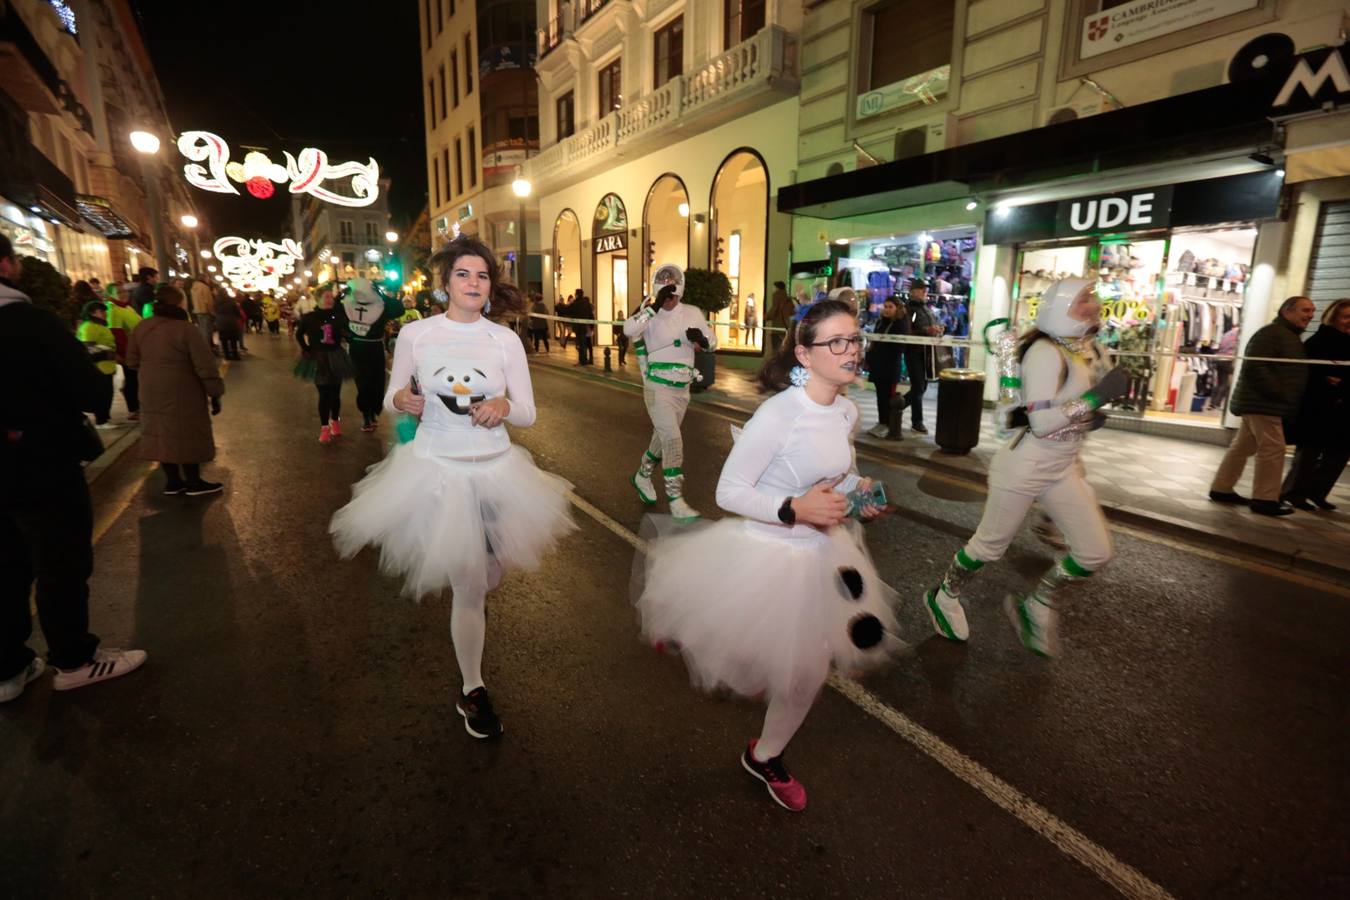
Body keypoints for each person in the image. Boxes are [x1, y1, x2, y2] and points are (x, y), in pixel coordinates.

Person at [636, 298, 900, 811]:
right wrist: (793, 507)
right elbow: (728, 492)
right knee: (746, 642)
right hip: (770, 550)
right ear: (804, 354)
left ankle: (766, 754)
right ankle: (687, 628)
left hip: (824, 551)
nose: (851, 352)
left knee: (806, 672)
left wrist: (857, 491)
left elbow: (835, 470)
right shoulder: (778, 416)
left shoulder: (845, 409)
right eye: (837, 342)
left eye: (856, 340)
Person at [329, 235, 575, 740]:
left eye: (482, 275)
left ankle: (473, 628)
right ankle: (473, 687)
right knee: (469, 585)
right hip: (439, 470)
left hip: (498, 472)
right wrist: (403, 398)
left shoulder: (504, 340)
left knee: (491, 576)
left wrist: (505, 406)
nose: (473, 283)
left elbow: (528, 411)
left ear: (491, 285)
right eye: (463, 274)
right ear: (445, 284)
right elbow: (396, 399)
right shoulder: (418, 335)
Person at [921, 279, 1127, 657]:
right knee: (989, 546)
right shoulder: (1046, 352)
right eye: (1084, 298)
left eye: (1093, 298)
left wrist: (1091, 412)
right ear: (1062, 306)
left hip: (1064, 466)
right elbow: (1042, 423)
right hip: (1025, 464)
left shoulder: (1084, 349)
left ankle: (1039, 604)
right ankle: (944, 596)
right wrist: (1097, 397)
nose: (1094, 304)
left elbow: (1072, 410)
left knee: (1095, 552)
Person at [0, 235, 147, 702]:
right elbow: (92, 392)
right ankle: (75, 659)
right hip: (41, 465)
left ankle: (8, 668)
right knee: (59, 561)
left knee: (4, 565)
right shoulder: (32, 324)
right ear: (7, 266)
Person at [624, 265, 716, 522]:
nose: (670, 289)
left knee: (662, 439)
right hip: (657, 388)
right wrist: (652, 307)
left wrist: (703, 339)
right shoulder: (648, 314)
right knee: (673, 440)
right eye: (664, 284)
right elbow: (628, 330)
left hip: (682, 390)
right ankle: (676, 500)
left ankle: (642, 475)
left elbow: (712, 340)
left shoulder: (693, 312)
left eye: (673, 283)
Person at [1209, 296, 1315, 517]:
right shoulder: (1272, 333)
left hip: (1262, 402)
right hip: (1264, 403)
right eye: (1305, 310)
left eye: (1312, 311)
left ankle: (1221, 488)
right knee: (1273, 449)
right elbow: (1255, 366)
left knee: (1243, 447)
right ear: (1287, 311)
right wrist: (1280, 393)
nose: (1310, 315)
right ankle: (1265, 499)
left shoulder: (1286, 335)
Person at [128, 285, 225, 495]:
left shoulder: (142, 327)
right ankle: (193, 481)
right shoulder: (186, 329)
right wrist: (215, 392)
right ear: (180, 303)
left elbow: (132, 360)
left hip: (150, 388)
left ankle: (173, 481)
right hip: (183, 388)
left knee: (161, 431)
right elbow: (204, 365)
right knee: (187, 430)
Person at [1282, 298, 1350, 511]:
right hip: (1318, 406)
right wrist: (1330, 380)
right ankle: (1293, 492)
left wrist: (1340, 381)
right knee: (1309, 451)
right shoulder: (1318, 341)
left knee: (1340, 452)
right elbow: (1309, 373)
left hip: (1344, 406)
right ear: (1334, 317)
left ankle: (1317, 492)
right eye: (1346, 316)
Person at [340, 278, 405, 432]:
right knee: (362, 382)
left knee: (377, 381)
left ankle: (373, 411)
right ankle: (366, 415)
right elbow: (336, 311)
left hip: (374, 346)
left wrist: (381, 294)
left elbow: (399, 309)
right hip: (357, 347)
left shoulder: (380, 305)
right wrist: (343, 294)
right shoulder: (349, 304)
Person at [295, 288, 354, 443]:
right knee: (324, 394)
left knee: (335, 393)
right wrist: (306, 348)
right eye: (326, 297)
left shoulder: (339, 316)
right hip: (319, 358)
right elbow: (299, 334)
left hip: (336, 357)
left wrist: (348, 336)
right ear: (318, 299)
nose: (330, 299)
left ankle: (335, 421)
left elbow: (346, 332)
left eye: (331, 297)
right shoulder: (310, 317)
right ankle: (324, 428)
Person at [865, 296, 908, 438]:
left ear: (897, 308)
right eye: (886, 306)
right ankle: (881, 422)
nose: (887, 309)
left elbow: (900, 346)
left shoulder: (900, 324)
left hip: (890, 367)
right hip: (878, 366)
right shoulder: (880, 322)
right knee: (880, 396)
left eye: (891, 307)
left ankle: (890, 425)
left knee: (888, 397)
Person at [903, 283, 940, 434]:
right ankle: (896, 408)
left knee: (920, 387)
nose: (925, 292)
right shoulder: (908, 309)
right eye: (921, 289)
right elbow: (907, 331)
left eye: (926, 289)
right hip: (913, 352)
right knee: (918, 387)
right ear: (913, 291)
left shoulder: (926, 309)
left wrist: (937, 329)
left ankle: (916, 422)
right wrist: (927, 331)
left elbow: (930, 327)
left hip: (926, 352)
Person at [76, 299, 118, 427]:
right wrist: (105, 354)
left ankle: (105, 417)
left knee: (108, 393)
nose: (104, 313)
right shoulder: (89, 327)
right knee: (102, 394)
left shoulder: (101, 325)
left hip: (107, 365)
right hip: (99, 366)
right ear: (92, 313)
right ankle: (101, 420)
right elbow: (88, 348)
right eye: (101, 311)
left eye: (104, 311)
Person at [106, 282, 142, 421]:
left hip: (135, 349)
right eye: (119, 292)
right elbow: (117, 333)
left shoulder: (126, 306)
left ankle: (137, 406)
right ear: (111, 295)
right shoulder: (114, 309)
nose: (123, 294)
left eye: (124, 291)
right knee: (132, 380)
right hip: (128, 351)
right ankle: (133, 410)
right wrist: (125, 354)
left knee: (135, 379)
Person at [1209, 325, 1240, 410]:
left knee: (1220, 382)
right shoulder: (1237, 335)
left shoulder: (1227, 333)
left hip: (1219, 358)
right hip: (1227, 360)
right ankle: (1217, 403)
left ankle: (1212, 403)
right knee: (1225, 383)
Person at [213, 289, 243, 360]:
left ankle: (227, 355)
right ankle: (235, 355)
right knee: (233, 340)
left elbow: (214, 311)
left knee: (224, 340)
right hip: (231, 322)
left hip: (221, 323)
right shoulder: (231, 301)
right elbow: (237, 312)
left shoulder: (216, 302)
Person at [189, 276, 217, 352]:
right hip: (205, 311)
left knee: (202, 330)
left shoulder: (193, 288)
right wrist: (212, 312)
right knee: (207, 331)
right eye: (208, 279)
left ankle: (203, 347)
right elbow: (208, 301)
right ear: (204, 279)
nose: (209, 280)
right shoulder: (204, 287)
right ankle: (206, 349)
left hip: (198, 311)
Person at [767, 280, 792, 356]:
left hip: (777, 326)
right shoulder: (788, 297)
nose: (773, 289)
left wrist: (765, 317)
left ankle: (776, 367)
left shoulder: (776, 295)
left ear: (777, 287)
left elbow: (774, 310)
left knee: (776, 351)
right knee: (784, 349)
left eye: (773, 287)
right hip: (786, 326)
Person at [571, 290, 594, 365]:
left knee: (582, 345)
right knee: (585, 344)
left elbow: (568, 310)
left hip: (581, 328)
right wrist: (592, 326)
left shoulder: (576, 303)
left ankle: (583, 360)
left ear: (577, 295)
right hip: (585, 328)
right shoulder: (585, 304)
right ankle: (585, 360)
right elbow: (591, 316)